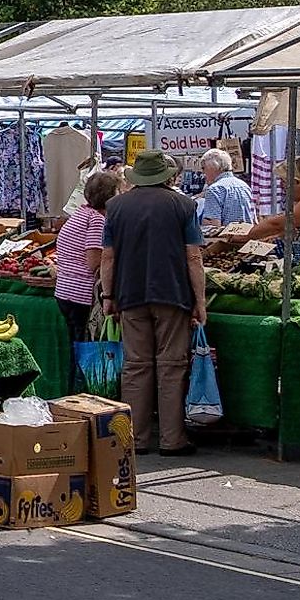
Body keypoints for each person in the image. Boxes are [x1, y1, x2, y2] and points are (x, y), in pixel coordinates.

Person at [101, 151, 207, 458]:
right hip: (172, 294)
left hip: (129, 294)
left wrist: (108, 296)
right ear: (167, 176)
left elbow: (108, 257)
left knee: (136, 366)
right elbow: (193, 256)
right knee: (172, 365)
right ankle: (172, 440)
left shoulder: (115, 206)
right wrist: (200, 301)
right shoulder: (184, 205)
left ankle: (135, 438)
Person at [53, 169, 121, 343]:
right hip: (80, 293)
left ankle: (74, 370)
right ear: (111, 195)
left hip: (65, 290)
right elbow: (94, 262)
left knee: (76, 346)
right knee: (84, 348)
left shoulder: (80, 214)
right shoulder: (97, 220)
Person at [195, 148, 254, 235]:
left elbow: (212, 226)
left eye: (204, 168)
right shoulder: (244, 186)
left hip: (226, 242)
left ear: (213, 167)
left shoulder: (215, 189)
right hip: (247, 238)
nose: (203, 173)